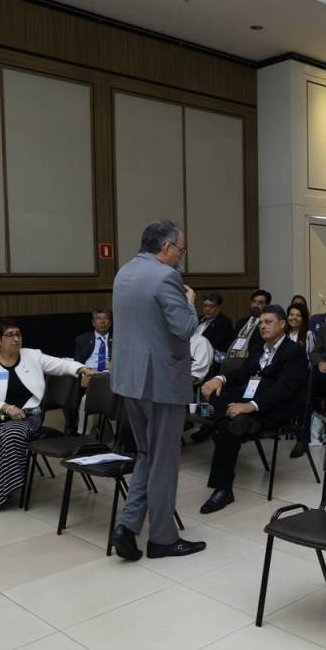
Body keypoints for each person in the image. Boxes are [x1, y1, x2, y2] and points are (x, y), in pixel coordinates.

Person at [111, 219, 204, 560]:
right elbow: (185, 328)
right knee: (164, 460)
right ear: (166, 248)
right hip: (161, 382)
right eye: (181, 250)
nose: (181, 256)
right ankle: (162, 538)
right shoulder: (167, 277)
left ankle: (127, 526)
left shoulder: (124, 273)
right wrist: (190, 302)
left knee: (146, 454)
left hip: (130, 381)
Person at [0, 318, 96, 516]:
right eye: (9, 335)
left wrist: (81, 368)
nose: (15, 339)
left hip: (28, 416)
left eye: (18, 334)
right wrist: (6, 408)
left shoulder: (33, 356)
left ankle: (4, 490)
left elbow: (60, 364)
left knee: (11, 435)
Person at [199, 305, 307, 514]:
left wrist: (250, 406)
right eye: (261, 323)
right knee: (217, 394)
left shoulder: (294, 352)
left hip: (273, 409)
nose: (263, 326)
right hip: (249, 401)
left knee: (229, 426)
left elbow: (284, 389)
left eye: (268, 322)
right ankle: (227, 416)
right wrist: (219, 378)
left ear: (282, 325)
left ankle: (223, 489)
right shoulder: (259, 348)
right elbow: (242, 373)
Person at [227, 289, 270, 359]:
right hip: (233, 358)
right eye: (254, 301)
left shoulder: (266, 325)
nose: (255, 305)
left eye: (260, 303)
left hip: (253, 359)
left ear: (267, 305)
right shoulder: (241, 322)